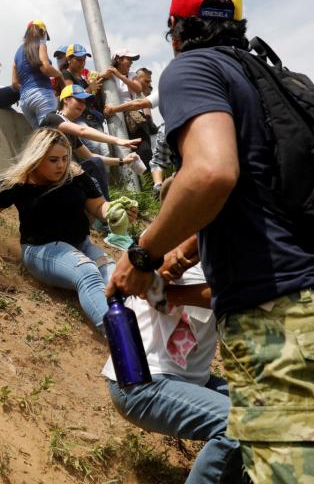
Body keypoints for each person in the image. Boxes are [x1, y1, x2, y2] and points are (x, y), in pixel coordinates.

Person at [106, 0, 314, 483]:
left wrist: (142, 255)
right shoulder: (276, 80)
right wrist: (180, 254)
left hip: (277, 316)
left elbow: (209, 172)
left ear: (175, 29)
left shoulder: (192, 70)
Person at [105, 178, 243, 484]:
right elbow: (153, 289)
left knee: (273, 416)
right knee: (237, 425)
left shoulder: (219, 261)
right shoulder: (159, 253)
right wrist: (182, 248)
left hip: (195, 382)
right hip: (143, 382)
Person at [0, 129, 136, 330]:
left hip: (81, 245)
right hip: (41, 250)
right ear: (37, 157)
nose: (61, 165)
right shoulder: (19, 182)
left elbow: (97, 206)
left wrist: (114, 211)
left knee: (116, 276)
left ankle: (140, 332)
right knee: (87, 272)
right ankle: (119, 338)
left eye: (65, 158)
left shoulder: (75, 175)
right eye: (53, 160)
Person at [40, 85, 140, 200]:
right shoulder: (53, 118)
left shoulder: (70, 132)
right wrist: (118, 140)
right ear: (66, 100)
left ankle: (104, 207)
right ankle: (106, 208)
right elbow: (83, 130)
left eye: (84, 102)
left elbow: (91, 156)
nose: (83, 105)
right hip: (44, 177)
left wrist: (122, 161)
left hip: (60, 176)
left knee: (93, 164)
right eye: (79, 100)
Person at [104, 88, 170, 195]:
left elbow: (140, 102)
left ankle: (158, 187)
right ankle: (158, 188)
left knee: (152, 158)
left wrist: (113, 109)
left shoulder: (168, 84)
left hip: (168, 127)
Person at [59, 43, 110, 155]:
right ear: (69, 59)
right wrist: (90, 88)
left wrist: (99, 79)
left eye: (84, 60)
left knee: (106, 151)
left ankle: (103, 172)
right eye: (78, 60)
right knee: (95, 147)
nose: (82, 63)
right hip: (79, 118)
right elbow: (72, 95)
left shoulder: (82, 78)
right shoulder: (65, 74)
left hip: (92, 117)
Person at [13, 20, 62, 127]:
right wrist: (60, 74)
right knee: (50, 134)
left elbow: (14, 83)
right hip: (42, 95)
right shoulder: (41, 44)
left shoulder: (17, 52)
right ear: (43, 33)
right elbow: (46, 68)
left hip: (25, 100)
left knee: (41, 135)